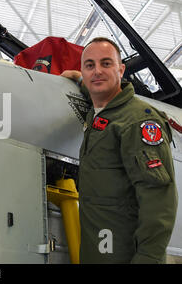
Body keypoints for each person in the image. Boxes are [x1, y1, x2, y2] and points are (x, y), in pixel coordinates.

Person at [61, 37, 178, 263]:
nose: (97, 72)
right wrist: (78, 80)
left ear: (121, 69)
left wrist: (148, 258)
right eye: (89, 66)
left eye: (106, 64)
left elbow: (159, 200)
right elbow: (98, 91)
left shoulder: (137, 122)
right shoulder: (104, 111)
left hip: (123, 253)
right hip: (98, 249)